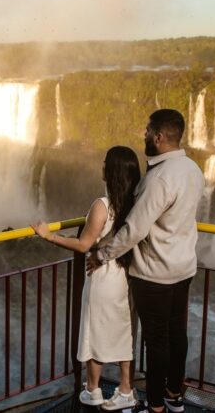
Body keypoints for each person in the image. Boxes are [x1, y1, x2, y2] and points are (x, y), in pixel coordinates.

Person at [89, 109, 204, 413]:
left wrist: (102, 254)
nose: (143, 137)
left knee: (156, 342)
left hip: (155, 274)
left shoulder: (159, 179)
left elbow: (134, 230)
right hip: (184, 267)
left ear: (158, 136)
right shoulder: (193, 169)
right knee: (177, 334)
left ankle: (154, 406)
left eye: (146, 132)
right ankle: (173, 394)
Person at [33, 145, 141, 411]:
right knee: (121, 329)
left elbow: (83, 245)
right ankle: (126, 388)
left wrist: (49, 235)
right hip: (123, 275)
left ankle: (92, 390)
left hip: (102, 276)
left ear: (112, 171)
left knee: (94, 330)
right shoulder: (136, 204)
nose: (101, 165)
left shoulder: (102, 206)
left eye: (105, 162)